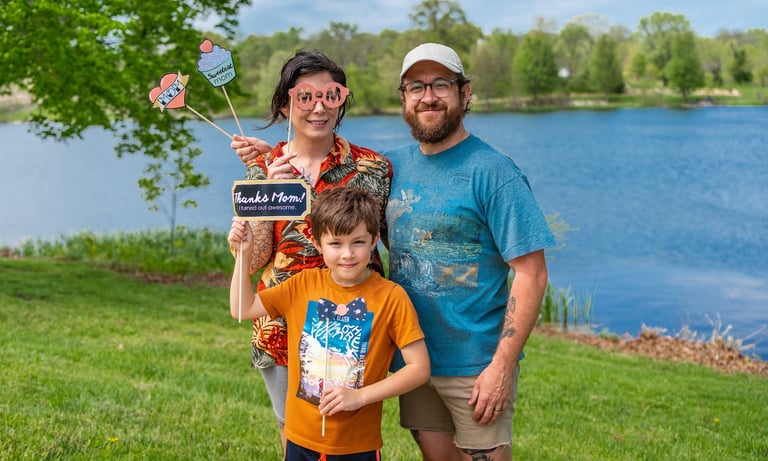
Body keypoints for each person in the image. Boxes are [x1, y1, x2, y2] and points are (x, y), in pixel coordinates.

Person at [235, 43, 556, 461]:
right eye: (415, 87)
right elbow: (261, 255)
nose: (428, 97)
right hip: (303, 336)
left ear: (465, 92)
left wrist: (500, 367)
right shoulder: (288, 168)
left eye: (441, 85)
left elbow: (528, 271)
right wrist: (265, 180)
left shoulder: (385, 168)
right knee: (306, 445)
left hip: (398, 344)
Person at [228, 49, 393, 453]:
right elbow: (251, 261)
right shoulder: (263, 168)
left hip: (355, 326)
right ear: (285, 103)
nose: (318, 107)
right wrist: (267, 189)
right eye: (305, 96)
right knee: (295, 435)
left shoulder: (373, 169)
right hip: (282, 327)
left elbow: (391, 244)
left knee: (352, 435)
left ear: (342, 101)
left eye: (330, 95)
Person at [228, 186, 430, 460]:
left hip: (356, 445)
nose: (347, 254)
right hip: (300, 438)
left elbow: (419, 369)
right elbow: (243, 307)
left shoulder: (391, 298)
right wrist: (243, 254)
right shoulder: (302, 284)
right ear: (317, 242)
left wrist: (360, 397)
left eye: (358, 242)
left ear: (374, 241)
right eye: (336, 243)